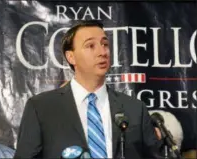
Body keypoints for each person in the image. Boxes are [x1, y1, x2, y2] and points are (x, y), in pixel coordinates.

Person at [14, 20, 163, 158]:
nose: (102, 52)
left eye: (105, 44)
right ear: (71, 57)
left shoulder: (135, 109)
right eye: (90, 46)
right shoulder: (41, 108)